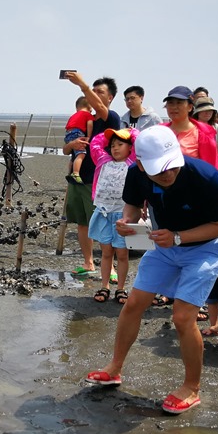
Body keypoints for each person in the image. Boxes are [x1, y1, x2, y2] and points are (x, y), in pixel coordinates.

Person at [84, 126, 218, 415]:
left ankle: (192, 387)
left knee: (182, 317)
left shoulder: (206, 176)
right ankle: (114, 367)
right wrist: (127, 220)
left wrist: (179, 237)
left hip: (206, 245)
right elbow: (132, 203)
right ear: (140, 164)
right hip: (164, 241)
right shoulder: (137, 173)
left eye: (171, 167)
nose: (167, 175)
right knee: (134, 303)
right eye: (158, 170)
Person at [63, 72, 123, 276]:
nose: (95, 95)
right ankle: (89, 263)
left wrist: (82, 85)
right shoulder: (85, 119)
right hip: (78, 179)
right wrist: (71, 144)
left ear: (110, 98)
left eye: (100, 92)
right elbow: (67, 147)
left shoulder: (111, 118)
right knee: (82, 222)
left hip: (100, 182)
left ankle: (111, 266)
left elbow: (99, 107)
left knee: (104, 222)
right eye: (94, 91)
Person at [88, 128, 138, 304]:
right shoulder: (102, 160)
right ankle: (105, 286)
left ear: (130, 147)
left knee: (122, 254)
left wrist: (128, 131)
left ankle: (121, 288)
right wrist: (113, 134)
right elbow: (95, 143)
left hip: (122, 215)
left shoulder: (132, 163)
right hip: (103, 212)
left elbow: (138, 140)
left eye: (120, 144)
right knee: (106, 252)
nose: (115, 148)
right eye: (112, 145)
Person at [162, 86, 218, 170]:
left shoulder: (203, 134)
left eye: (179, 103)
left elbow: (211, 169)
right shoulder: (159, 131)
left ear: (190, 107)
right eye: (171, 103)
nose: (174, 107)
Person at [192, 96, 218, 181]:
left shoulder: (215, 127)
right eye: (204, 110)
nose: (207, 113)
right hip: (196, 170)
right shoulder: (192, 127)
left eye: (210, 110)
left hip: (213, 169)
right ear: (198, 112)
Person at [64, 96, 94, 184]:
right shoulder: (87, 114)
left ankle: (70, 172)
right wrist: (88, 136)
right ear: (89, 107)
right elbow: (90, 125)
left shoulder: (73, 116)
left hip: (68, 134)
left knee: (73, 156)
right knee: (81, 154)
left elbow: (68, 127)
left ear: (77, 107)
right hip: (77, 133)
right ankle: (76, 173)